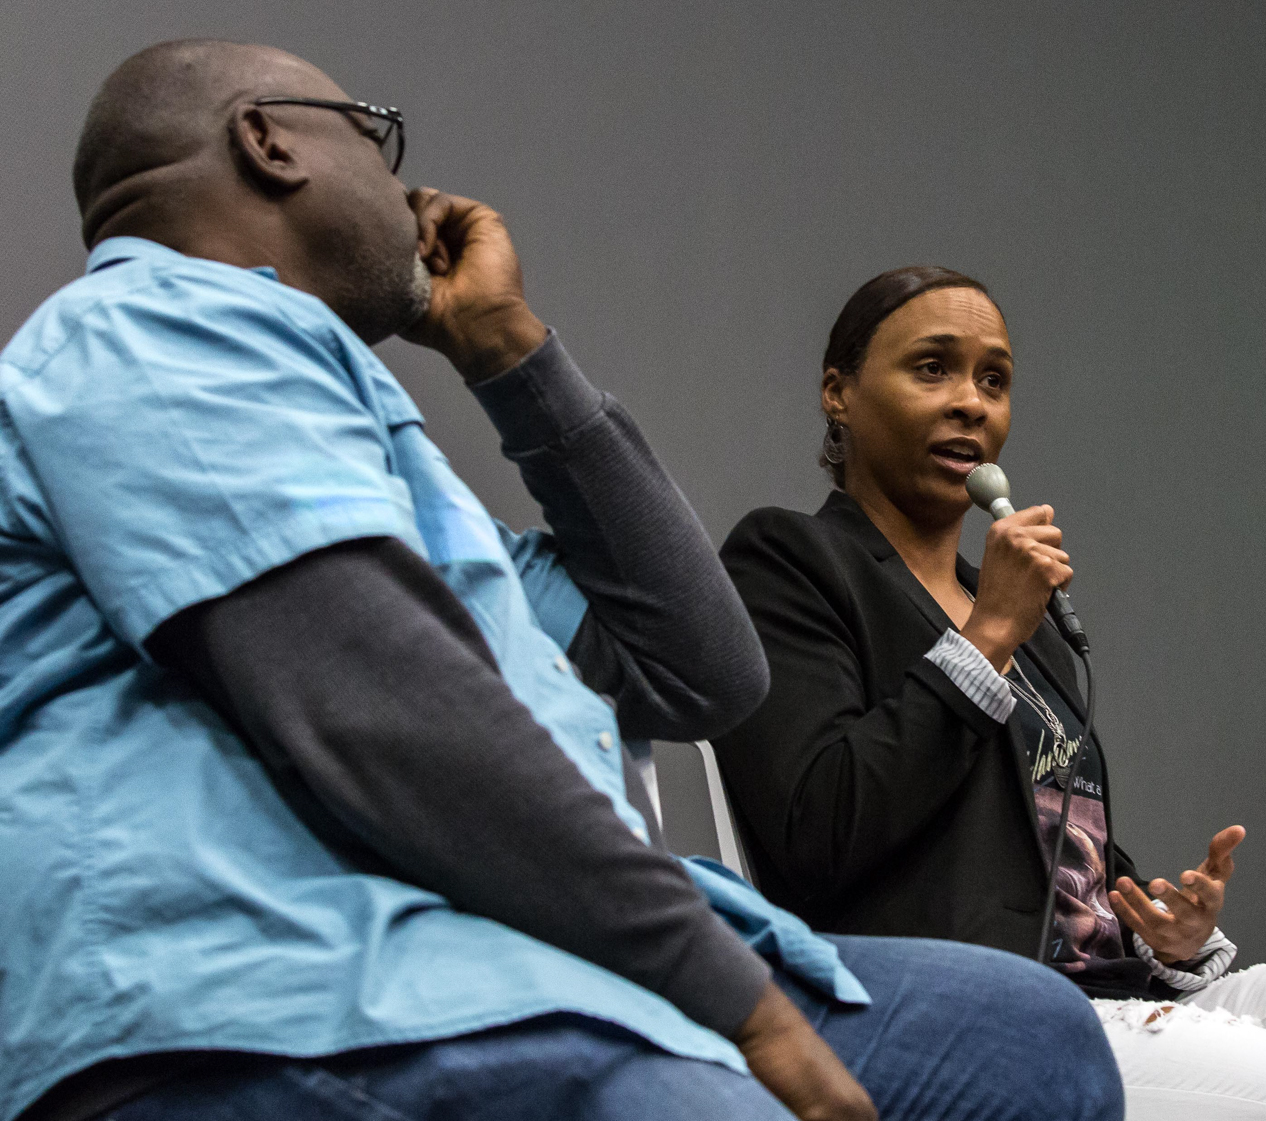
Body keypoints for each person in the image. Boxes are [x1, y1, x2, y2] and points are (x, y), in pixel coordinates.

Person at [0, 41, 1121, 1121]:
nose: (407, 186)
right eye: (375, 140)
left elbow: (703, 671)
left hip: (512, 966)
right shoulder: (154, 329)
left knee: (1027, 1036)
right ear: (269, 143)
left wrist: (510, 351)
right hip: (277, 996)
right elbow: (389, 716)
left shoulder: (381, 477)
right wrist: (735, 1004)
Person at [713, 265, 1266, 1121]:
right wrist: (984, 639)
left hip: (1121, 992)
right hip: (990, 1015)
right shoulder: (794, 562)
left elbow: (1057, 852)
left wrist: (1162, 926)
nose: (971, 403)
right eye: (932, 369)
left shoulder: (1030, 621)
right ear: (838, 393)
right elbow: (819, 826)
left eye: (994, 380)